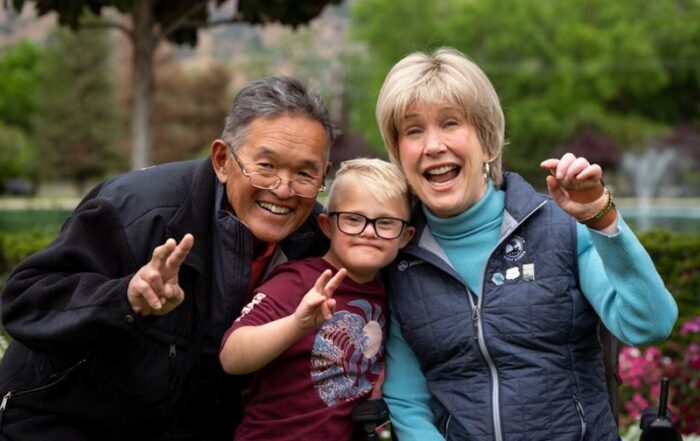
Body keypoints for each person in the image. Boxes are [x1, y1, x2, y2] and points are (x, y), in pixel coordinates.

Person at [0, 76, 337, 441]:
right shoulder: (137, 208)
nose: (284, 189)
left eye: (305, 173)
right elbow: (24, 304)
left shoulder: (315, 240)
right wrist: (125, 297)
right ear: (223, 160)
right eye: (266, 166)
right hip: (61, 422)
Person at [374, 48, 679, 441]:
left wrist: (599, 217)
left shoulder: (563, 227)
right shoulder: (399, 258)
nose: (433, 145)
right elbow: (407, 403)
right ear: (399, 153)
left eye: (450, 123)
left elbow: (650, 323)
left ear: (486, 141)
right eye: (413, 130)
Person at [219, 158, 415, 441]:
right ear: (326, 225)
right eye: (353, 219)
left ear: (405, 236)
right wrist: (296, 325)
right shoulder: (297, 280)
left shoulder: (394, 295)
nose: (368, 231)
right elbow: (231, 356)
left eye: (385, 223)